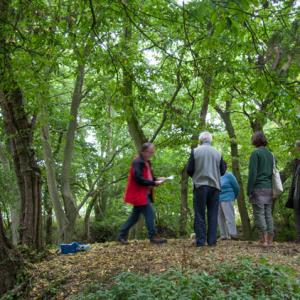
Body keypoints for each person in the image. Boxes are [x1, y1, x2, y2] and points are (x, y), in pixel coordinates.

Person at [117, 142, 167, 244]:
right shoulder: (137, 162)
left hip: (145, 193)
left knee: (134, 217)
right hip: (139, 194)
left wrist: (158, 179)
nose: (152, 154)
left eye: (153, 152)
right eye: (150, 152)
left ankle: (121, 235)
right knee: (150, 214)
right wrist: (153, 183)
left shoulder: (147, 162)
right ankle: (153, 236)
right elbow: (138, 178)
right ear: (143, 151)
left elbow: (148, 177)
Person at [187, 131, 226, 247]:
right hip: (215, 187)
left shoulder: (195, 151)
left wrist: (197, 175)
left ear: (200, 140)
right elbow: (223, 171)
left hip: (200, 186)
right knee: (213, 214)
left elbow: (189, 169)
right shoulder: (218, 153)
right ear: (210, 140)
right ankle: (212, 241)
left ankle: (200, 241)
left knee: (199, 213)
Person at [247, 131, 274, 247]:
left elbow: (253, 173)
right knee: (268, 213)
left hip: (258, 187)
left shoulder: (255, 153)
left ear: (255, 140)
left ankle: (264, 240)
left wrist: (249, 190)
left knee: (259, 214)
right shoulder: (270, 154)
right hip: (269, 187)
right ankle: (270, 239)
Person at [218, 162, 239, 240]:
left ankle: (233, 234)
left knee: (229, 217)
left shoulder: (229, 175)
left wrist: (233, 196)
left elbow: (236, 187)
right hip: (217, 200)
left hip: (228, 198)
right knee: (219, 218)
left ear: (225, 167)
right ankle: (224, 235)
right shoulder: (216, 176)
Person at [286, 140, 300, 243]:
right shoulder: (297, 162)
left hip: (298, 194)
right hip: (296, 195)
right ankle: (299, 237)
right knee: (297, 215)